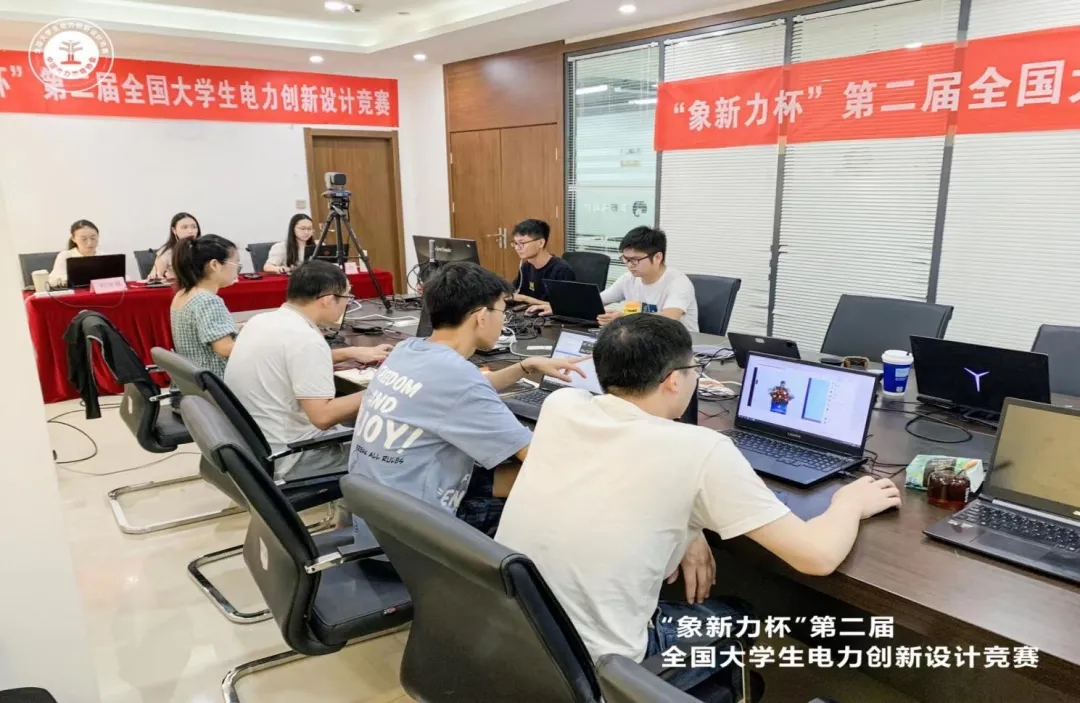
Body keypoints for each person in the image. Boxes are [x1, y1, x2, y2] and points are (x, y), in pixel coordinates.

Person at [495, 314, 901, 695]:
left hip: (512, 636)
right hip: (597, 671)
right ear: (674, 381)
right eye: (694, 370)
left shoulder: (562, 406)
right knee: (739, 615)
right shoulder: (703, 450)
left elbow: (617, 473)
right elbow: (817, 557)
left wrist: (690, 524)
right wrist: (850, 502)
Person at [348, 262, 586, 536]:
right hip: (416, 535)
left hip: (375, 515)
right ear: (481, 317)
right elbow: (537, 458)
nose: (504, 321)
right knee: (557, 486)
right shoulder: (458, 379)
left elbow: (455, 391)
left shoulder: (407, 350)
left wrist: (525, 366)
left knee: (504, 474)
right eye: (503, 312)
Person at [225, 261, 392, 484]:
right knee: (395, 451)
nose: (348, 304)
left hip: (255, 449)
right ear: (327, 299)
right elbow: (323, 417)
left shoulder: (261, 321)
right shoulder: (306, 340)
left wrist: (350, 352)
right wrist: (383, 389)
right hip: (292, 457)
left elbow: (286, 361)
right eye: (347, 297)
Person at [528, 226, 699, 332]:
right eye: (626, 259)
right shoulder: (629, 279)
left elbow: (670, 317)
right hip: (644, 338)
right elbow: (596, 300)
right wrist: (559, 307)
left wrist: (623, 317)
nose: (629, 265)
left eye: (635, 260)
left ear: (657, 257)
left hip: (680, 345)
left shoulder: (677, 282)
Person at [169, 235, 241, 379]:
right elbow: (225, 349)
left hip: (195, 378)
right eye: (236, 263)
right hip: (218, 379)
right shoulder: (208, 300)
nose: (238, 269)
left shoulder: (183, 294)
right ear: (215, 265)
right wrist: (258, 342)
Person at [509, 219, 575, 305]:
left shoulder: (561, 270)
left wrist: (525, 299)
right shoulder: (526, 267)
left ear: (540, 243)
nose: (517, 248)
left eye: (522, 243)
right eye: (515, 243)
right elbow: (516, 292)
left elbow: (564, 306)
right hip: (529, 312)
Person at [149, 212, 201, 281]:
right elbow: (155, 277)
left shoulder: (204, 248)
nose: (190, 231)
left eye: (194, 227)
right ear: (174, 230)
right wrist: (156, 277)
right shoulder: (167, 252)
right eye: (184, 227)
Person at [49, 219, 101, 288]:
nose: (89, 243)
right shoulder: (65, 256)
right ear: (73, 239)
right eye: (84, 239)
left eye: (93, 238)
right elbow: (52, 281)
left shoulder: (105, 256)